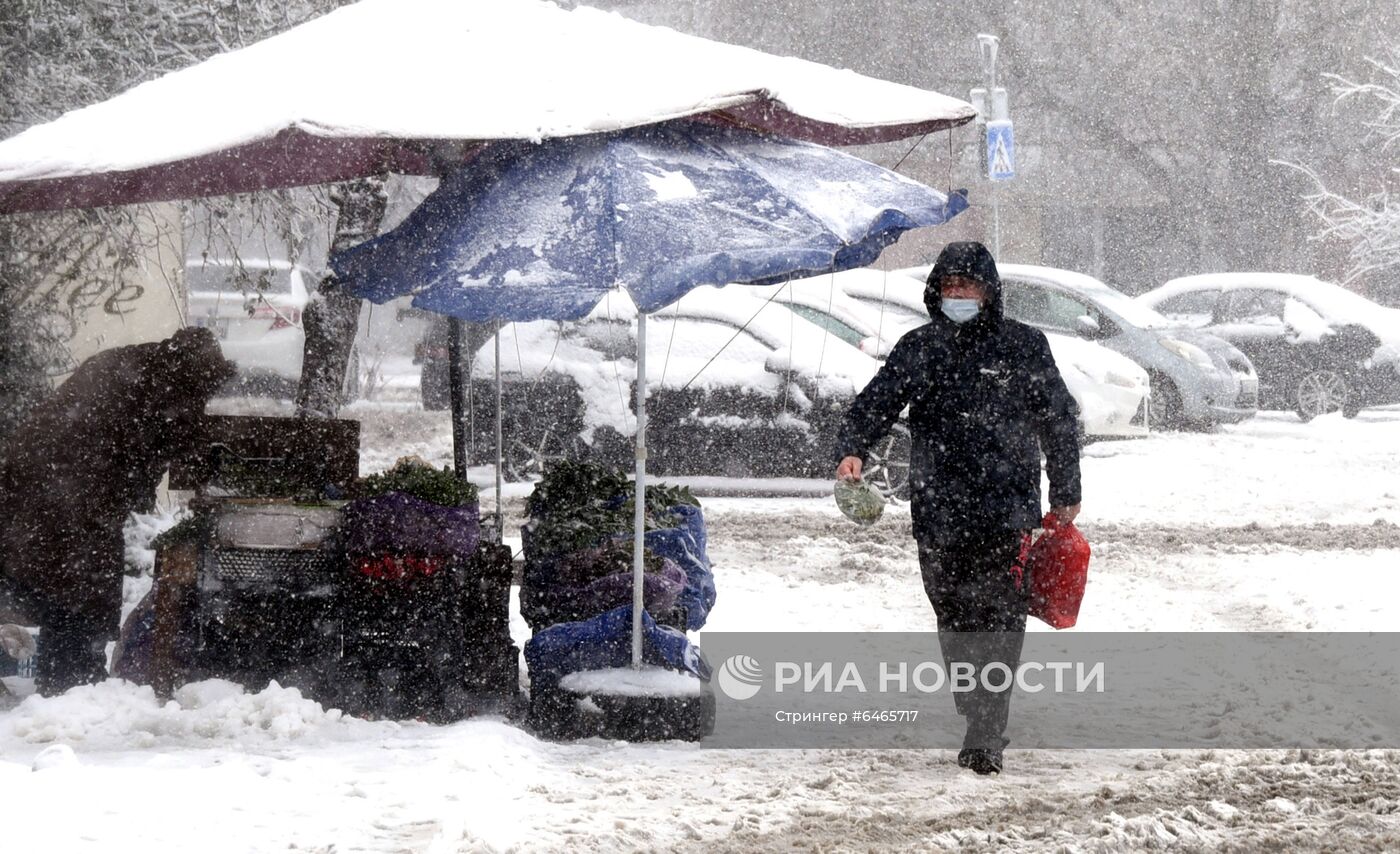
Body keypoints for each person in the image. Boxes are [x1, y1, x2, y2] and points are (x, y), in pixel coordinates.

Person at [834, 241, 1081, 775]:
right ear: (935, 292)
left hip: (1006, 509)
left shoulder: (1024, 347)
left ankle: (987, 729)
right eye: (948, 287)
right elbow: (876, 403)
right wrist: (852, 448)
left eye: (967, 286)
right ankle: (976, 711)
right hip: (939, 510)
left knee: (999, 618)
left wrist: (1066, 490)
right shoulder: (919, 348)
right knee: (954, 618)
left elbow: (1058, 418)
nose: (958, 295)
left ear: (989, 291)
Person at [0, 327, 236, 695]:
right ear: (193, 375)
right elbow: (157, 448)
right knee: (77, 592)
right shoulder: (160, 388)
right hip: (64, 496)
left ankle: (72, 677)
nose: (202, 398)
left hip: (38, 485)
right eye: (203, 389)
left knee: (62, 588)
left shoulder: (131, 368)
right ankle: (71, 683)